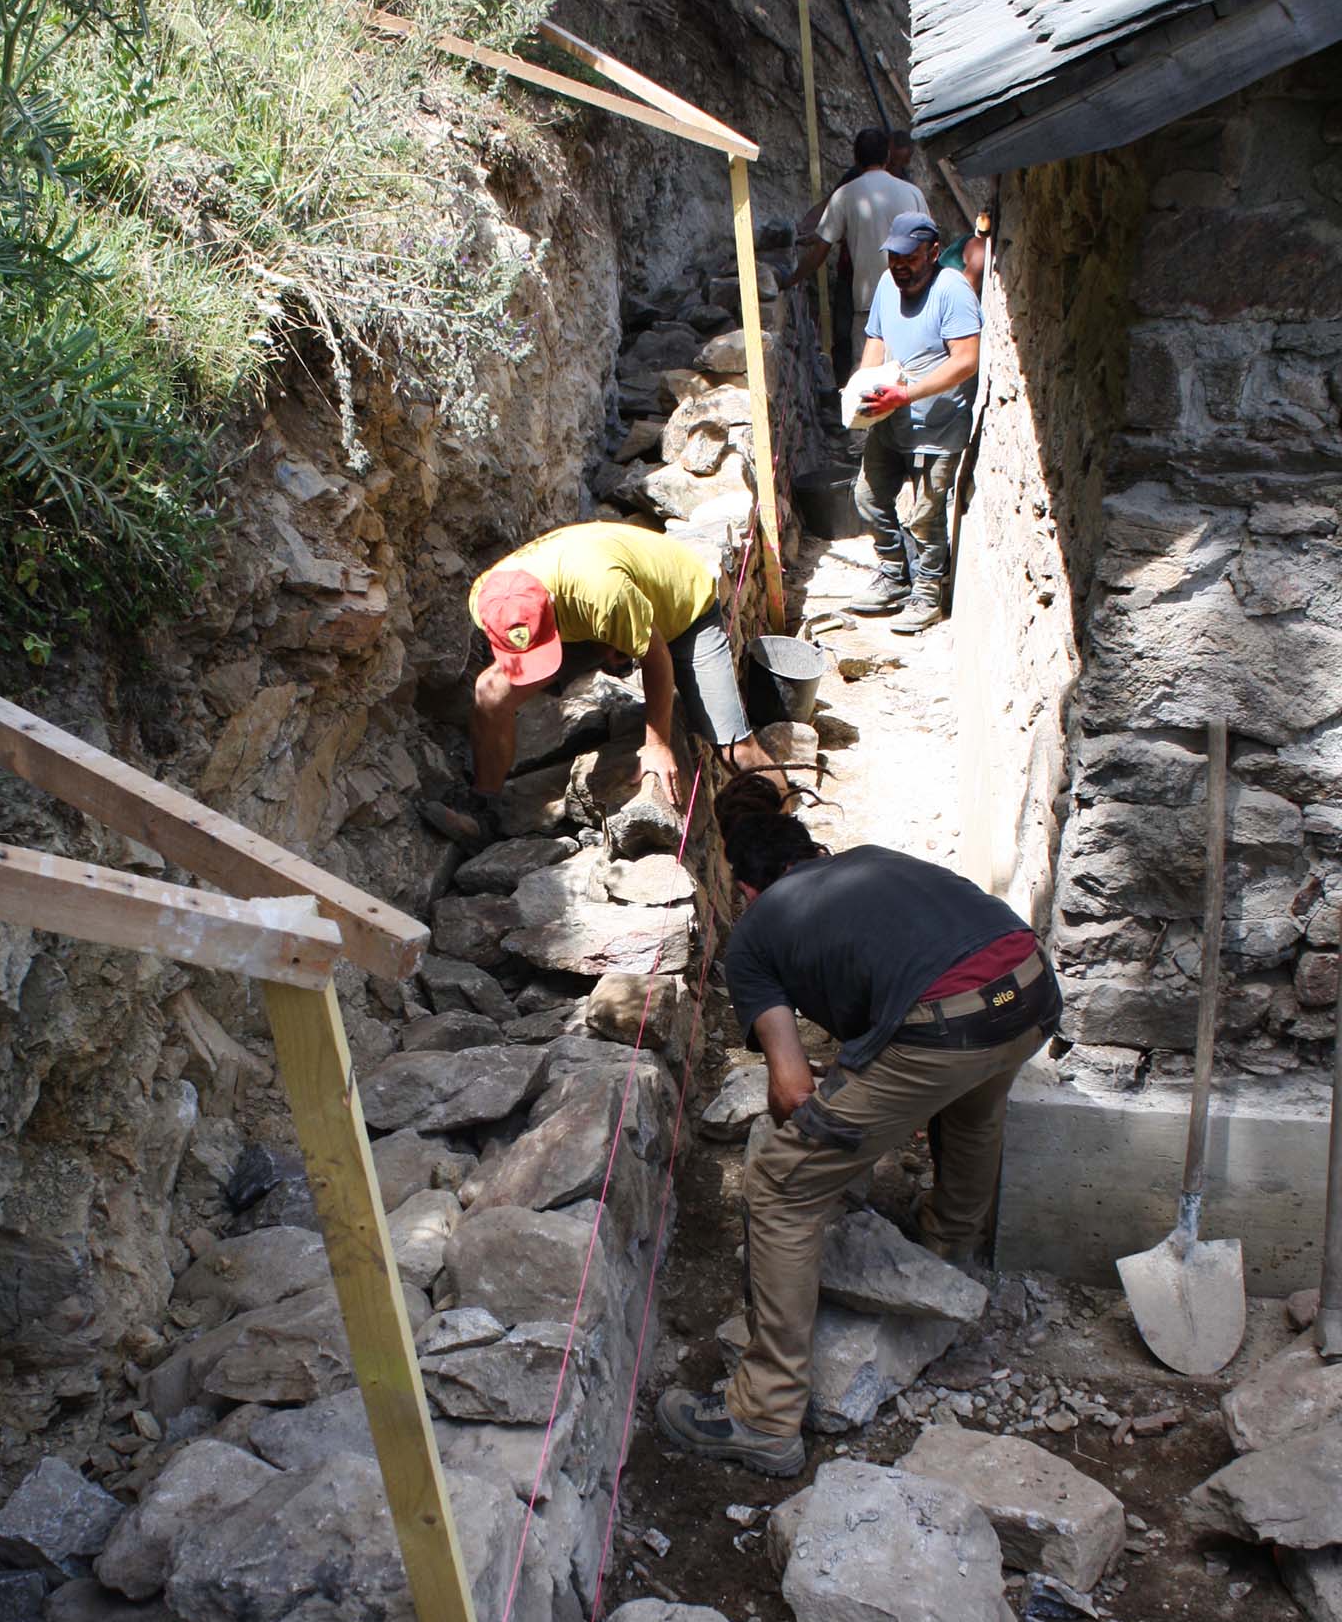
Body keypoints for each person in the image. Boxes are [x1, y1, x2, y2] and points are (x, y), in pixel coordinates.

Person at [657, 778, 1061, 1479]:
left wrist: (831, 1133)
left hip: (948, 1023)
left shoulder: (754, 936)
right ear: (814, 851)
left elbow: (790, 1086)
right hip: (1028, 989)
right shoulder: (870, 861)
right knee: (971, 1104)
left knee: (781, 1184)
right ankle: (945, 1256)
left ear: (746, 890)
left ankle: (763, 1416)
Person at [420, 520, 781, 850]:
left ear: (553, 605)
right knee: (491, 692)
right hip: (594, 613)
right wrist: (607, 643)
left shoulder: (601, 595)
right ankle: (482, 809)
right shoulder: (487, 598)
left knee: (736, 750)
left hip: (682, 608)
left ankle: (789, 827)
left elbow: (657, 657)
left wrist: (656, 744)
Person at [846, 211, 981, 637]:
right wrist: (863, 388)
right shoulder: (888, 285)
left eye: (910, 257)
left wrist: (909, 393)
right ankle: (893, 572)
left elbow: (966, 360)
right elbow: (877, 339)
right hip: (891, 416)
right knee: (867, 496)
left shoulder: (952, 291)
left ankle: (926, 595)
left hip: (936, 427)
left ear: (934, 253)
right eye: (894, 257)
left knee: (925, 515)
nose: (900, 266)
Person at [788, 127, 933, 343]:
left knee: (867, 371)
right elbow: (930, 247)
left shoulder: (846, 194)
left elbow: (820, 253)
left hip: (869, 306)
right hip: (913, 302)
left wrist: (789, 280)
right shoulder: (913, 193)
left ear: (856, 158)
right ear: (887, 156)